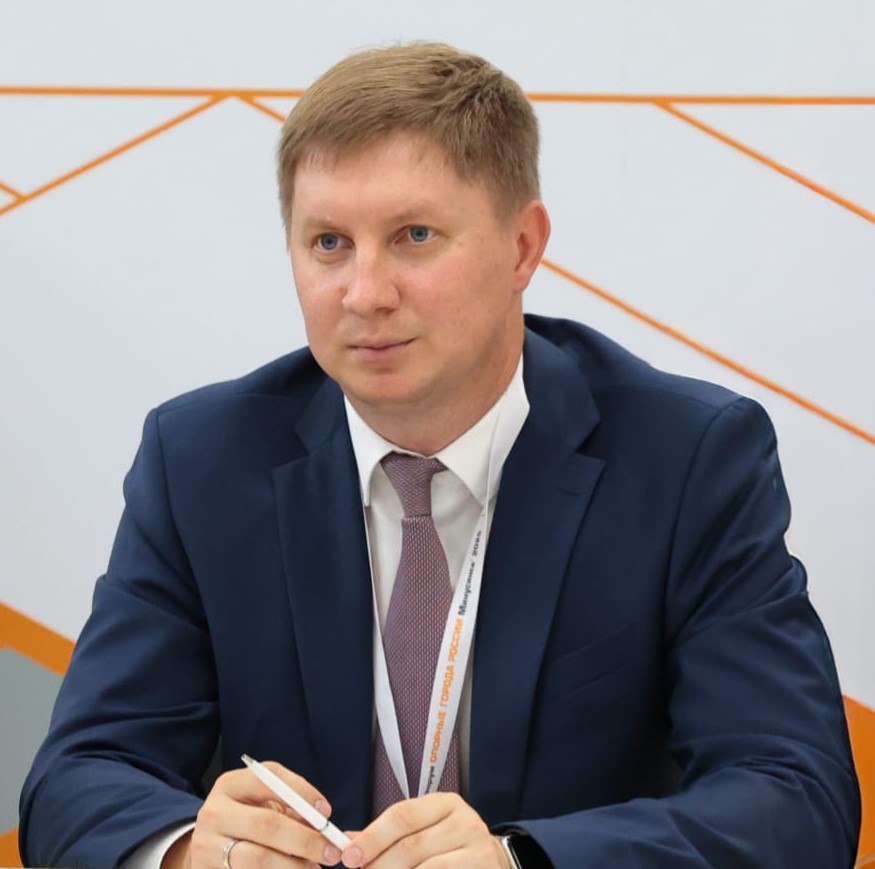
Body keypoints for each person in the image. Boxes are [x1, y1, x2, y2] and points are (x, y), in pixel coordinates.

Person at [20, 42, 860, 869]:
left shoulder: (684, 458)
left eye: (413, 236)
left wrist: (519, 860)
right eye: (328, 243)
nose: (365, 293)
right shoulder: (202, 460)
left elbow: (795, 793)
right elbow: (76, 777)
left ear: (522, 246)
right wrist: (188, 852)